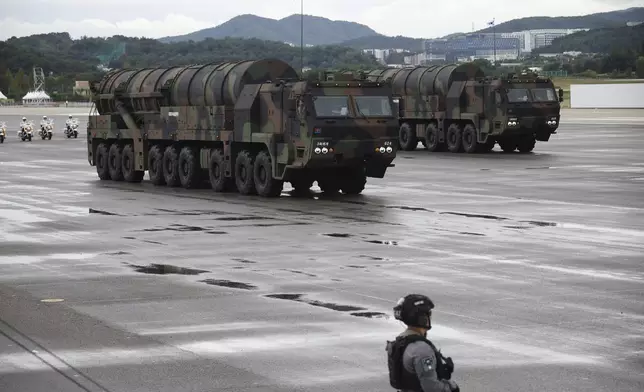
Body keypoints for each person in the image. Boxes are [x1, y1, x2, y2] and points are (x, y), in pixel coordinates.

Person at [386, 294, 460, 392]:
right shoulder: (421, 350)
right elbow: (431, 387)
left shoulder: (400, 342)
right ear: (422, 318)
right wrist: (451, 387)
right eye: (428, 314)